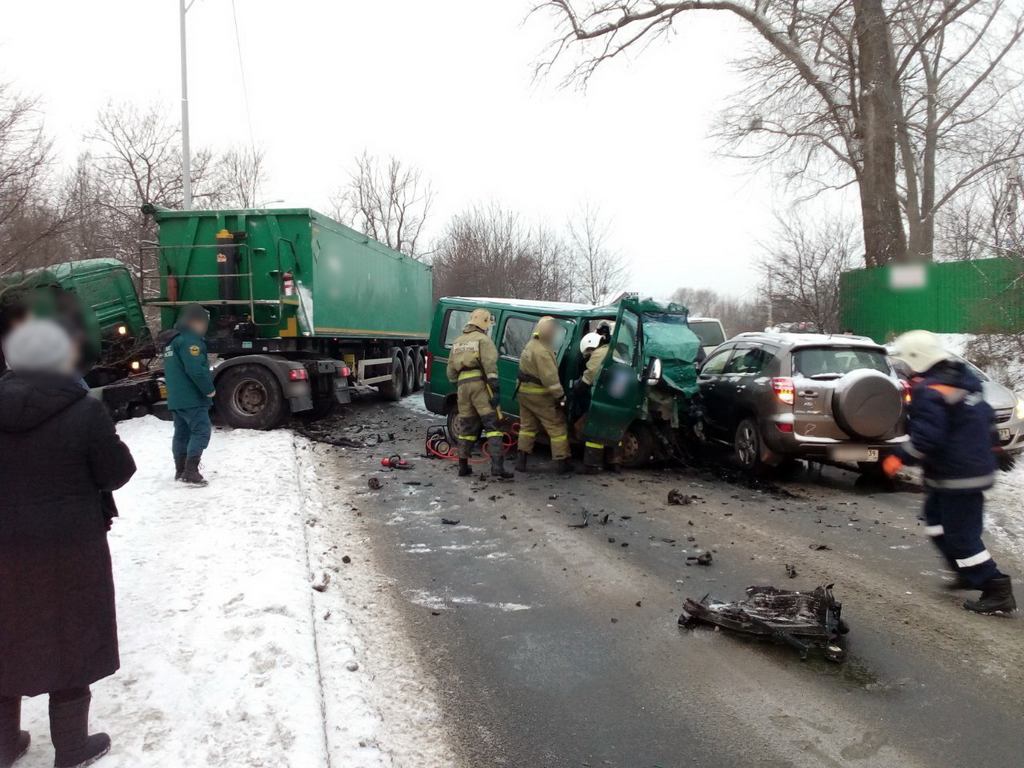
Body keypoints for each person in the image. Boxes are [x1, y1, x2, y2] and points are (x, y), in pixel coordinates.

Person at [0, 319, 136, 768]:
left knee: (5, 635)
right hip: (71, 548)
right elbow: (117, 472)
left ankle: (4, 746)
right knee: (71, 637)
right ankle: (72, 750)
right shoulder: (84, 410)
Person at [885, 330, 1015, 615]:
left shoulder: (929, 390)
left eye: (906, 363)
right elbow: (983, 418)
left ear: (917, 360)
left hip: (958, 476)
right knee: (936, 523)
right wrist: (995, 449)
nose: (905, 369)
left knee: (961, 537)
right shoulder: (965, 381)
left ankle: (995, 587)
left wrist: (898, 457)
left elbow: (927, 438)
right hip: (961, 471)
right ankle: (965, 569)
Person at [446, 308, 512, 479]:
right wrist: (495, 388)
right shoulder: (483, 340)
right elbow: (490, 364)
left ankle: (463, 466)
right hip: (479, 385)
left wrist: (460, 385)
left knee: (466, 427)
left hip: (462, 387)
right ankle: (497, 467)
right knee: (492, 426)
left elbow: (450, 372)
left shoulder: (458, 342)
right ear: (484, 323)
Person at [160, 303, 215, 486]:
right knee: (201, 431)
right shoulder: (190, 341)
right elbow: (196, 370)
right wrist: (209, 389)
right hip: (192, 398)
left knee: (181, 433)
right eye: (204, 323)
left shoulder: (172, 341)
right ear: (195, 322)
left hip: (176, 398)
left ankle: (180, 470)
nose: (205, 328)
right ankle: (191, 471)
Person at [514, 316, 572, 474]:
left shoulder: (531, 345)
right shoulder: (542, 351)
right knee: (557, 426)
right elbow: (550, 379)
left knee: (527, 427)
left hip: (523, 392)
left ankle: (521, 460)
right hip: (539, 395)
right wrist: (561, 397)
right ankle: (562, 462)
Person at [574, 330, 623, 474]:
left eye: (588, 353)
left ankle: (592, 465)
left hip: (602, 398)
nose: (588, 356)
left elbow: (589, 377)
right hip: (617, 399)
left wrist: (576, 389)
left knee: (592, 429)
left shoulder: (598, 354)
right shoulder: (614, 351)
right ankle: (615, 463)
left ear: (591, 346)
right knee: (613, 430)